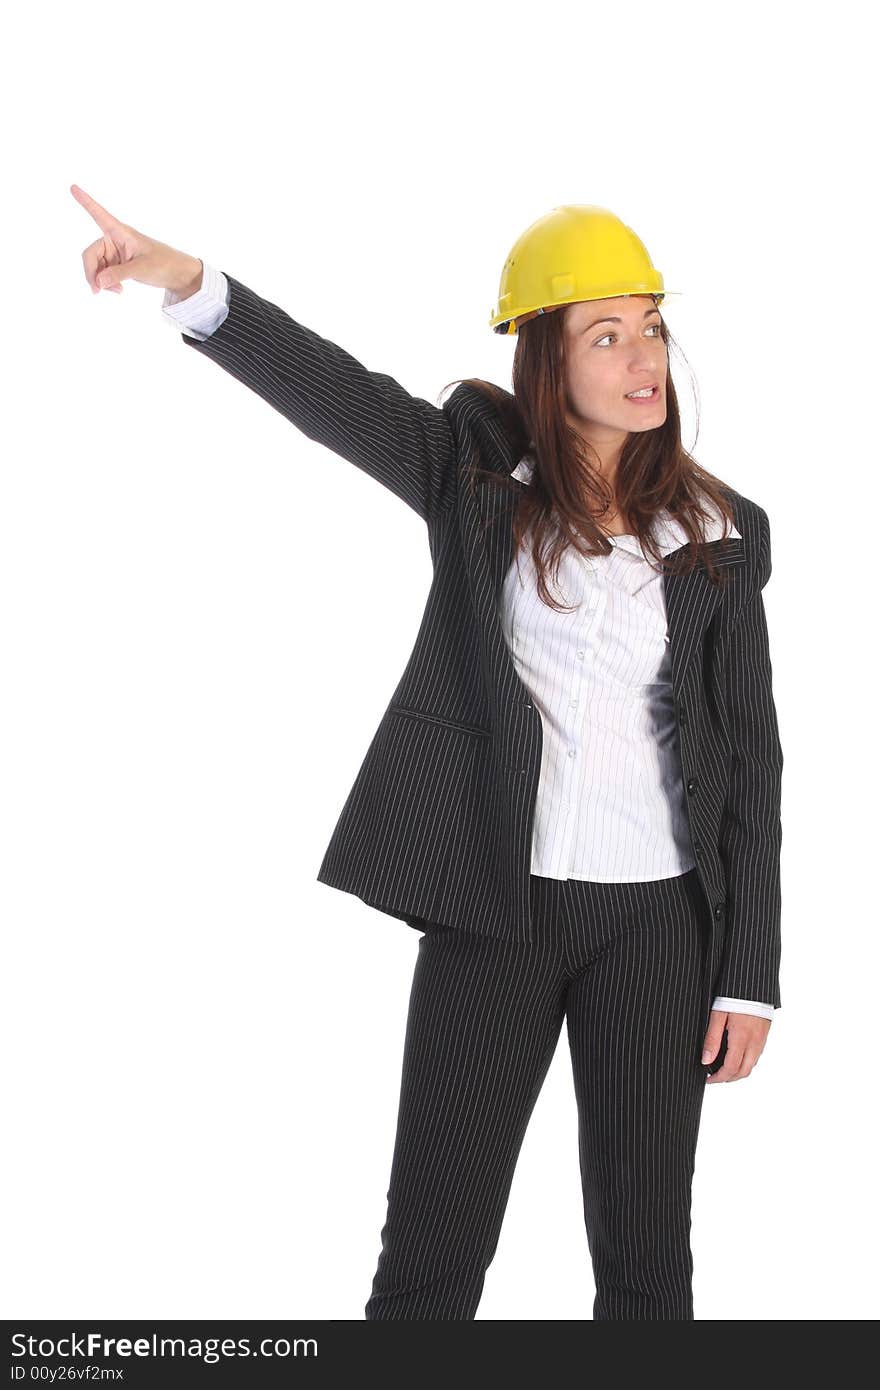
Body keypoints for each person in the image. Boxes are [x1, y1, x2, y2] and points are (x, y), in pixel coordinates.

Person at [72, 189, 783, 1320]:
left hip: (660, 924)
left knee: (650, 1259)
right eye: (606, 333)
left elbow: (750, 762)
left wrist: (749, 968)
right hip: (491, 908)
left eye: (650, 325)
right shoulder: (473, 485)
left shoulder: (719, 530)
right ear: (548, 359)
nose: (643, 355)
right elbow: (335, 397)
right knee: (432, 1253)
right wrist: (189, 282)